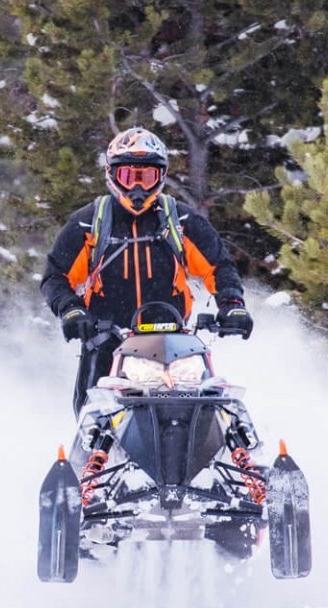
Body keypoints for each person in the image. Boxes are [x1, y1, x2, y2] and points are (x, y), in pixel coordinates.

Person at [41, 127, 250, 413]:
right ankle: (90, 455)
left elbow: (219, 267)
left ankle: (241, 447)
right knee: (93, 413)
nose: (137, 188)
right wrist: (72, 311)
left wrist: (232, 304)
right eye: (129, 177)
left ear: (160, 177)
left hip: (174, 340)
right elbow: (56, 276)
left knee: (213, 399)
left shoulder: (182, 220)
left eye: (146, 177)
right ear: (113, 175)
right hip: (109, 339)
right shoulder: (89, 222)